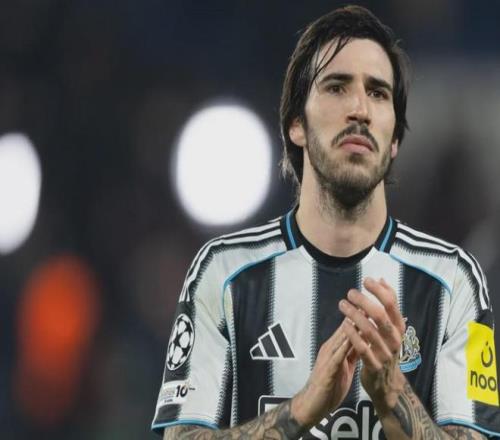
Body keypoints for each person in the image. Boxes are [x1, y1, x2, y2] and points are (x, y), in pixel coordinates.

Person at [151, 5, 500, 439]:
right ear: (296, 124)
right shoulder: (222, 274)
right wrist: (304, 407)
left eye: (378, 93)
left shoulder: (457, 282)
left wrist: (392, 396)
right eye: (337, 87)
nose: (360, 109)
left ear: (395, 139)